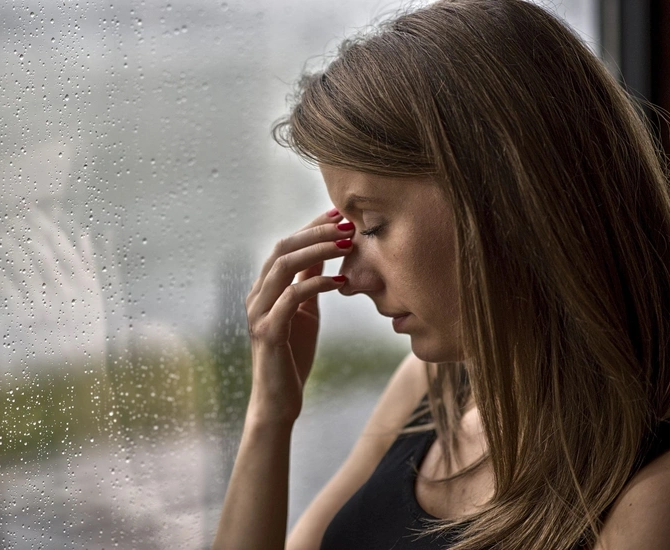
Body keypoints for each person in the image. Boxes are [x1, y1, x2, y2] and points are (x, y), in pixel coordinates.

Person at [212, 0, 670, 548]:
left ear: (506, 198)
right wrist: (270, 416)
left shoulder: (649, 496)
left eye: (374, 225)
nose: (350, 277)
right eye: (347, 228)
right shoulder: (433, 390)